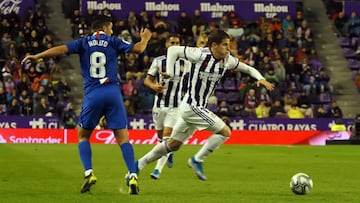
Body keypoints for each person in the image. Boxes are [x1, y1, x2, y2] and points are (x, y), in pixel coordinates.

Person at [22, 15, 152, 194]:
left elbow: (61, 49)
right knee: (123, 138)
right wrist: (144, 38)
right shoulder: (113, 41)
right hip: (113, 92)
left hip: (93, 94)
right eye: (111, 27)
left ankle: (89, 173)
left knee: (83, 136)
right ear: (105, 27)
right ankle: (132, 175)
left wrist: (38, 56)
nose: (112, 30)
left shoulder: (83, 42)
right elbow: (138, 49)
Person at [133, 30, 274, 181]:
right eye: (225, 45)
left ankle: (139, 164)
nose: (229, 49)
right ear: (214, 46)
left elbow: (247, 68)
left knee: (173, 145)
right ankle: (197, 160)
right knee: (225, 132)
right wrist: (170, 71)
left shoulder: (228, 60)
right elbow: (173, 50)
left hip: (194, 107)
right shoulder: (199, 54)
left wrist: (261, 79)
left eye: (229, 45)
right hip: (191, 105)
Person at [144, 34, 191, 179]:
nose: (175, 45)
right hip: (159, 105)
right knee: (160, 138)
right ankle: (168, 152)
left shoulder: (186, 63)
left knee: (166, 138)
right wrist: (154, 86)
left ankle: (157, 170)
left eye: (177, 43)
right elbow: (147, 80)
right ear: (166, 45)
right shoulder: (158, 61)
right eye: (172, 42)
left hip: (175, 106)